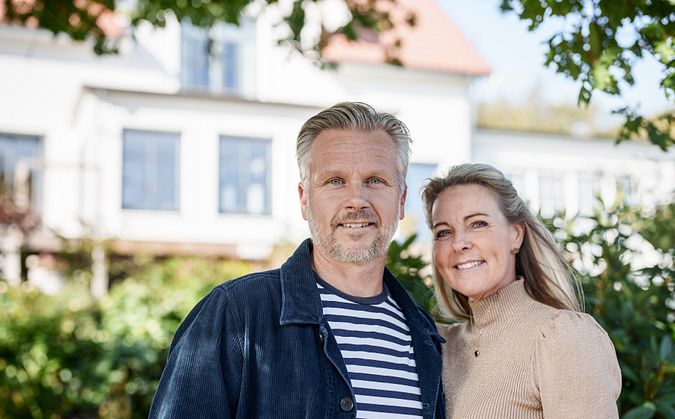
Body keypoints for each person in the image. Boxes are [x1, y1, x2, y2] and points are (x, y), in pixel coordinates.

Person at [149, 102, 445, 419]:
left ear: (401, 200)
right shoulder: (236, 315)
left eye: (375, 180)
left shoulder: (426, 338)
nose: (356, 200)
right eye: (335, 181)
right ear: (305, 199)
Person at [421, 163, 621, 419]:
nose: (459, 243)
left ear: (516, 234)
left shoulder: (562, 337)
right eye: (444, 232)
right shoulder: (436, 345)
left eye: (478, 224)